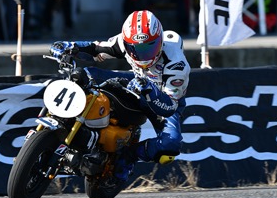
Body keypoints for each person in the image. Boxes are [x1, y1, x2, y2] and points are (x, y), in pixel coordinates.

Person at [50, 9, 191, 182]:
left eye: (149, 47)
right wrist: (70, 47)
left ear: (160, 41)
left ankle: (128, 155)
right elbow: (96, 48)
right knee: (84, 74)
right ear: (127, 42)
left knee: (171, 145)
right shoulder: (123, 42)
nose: (142, 55)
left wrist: (149, 90)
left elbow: (169, 107)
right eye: (135, 49)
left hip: (164, 97)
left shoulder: (176, 66)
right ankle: (66, 121)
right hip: (136, 81)